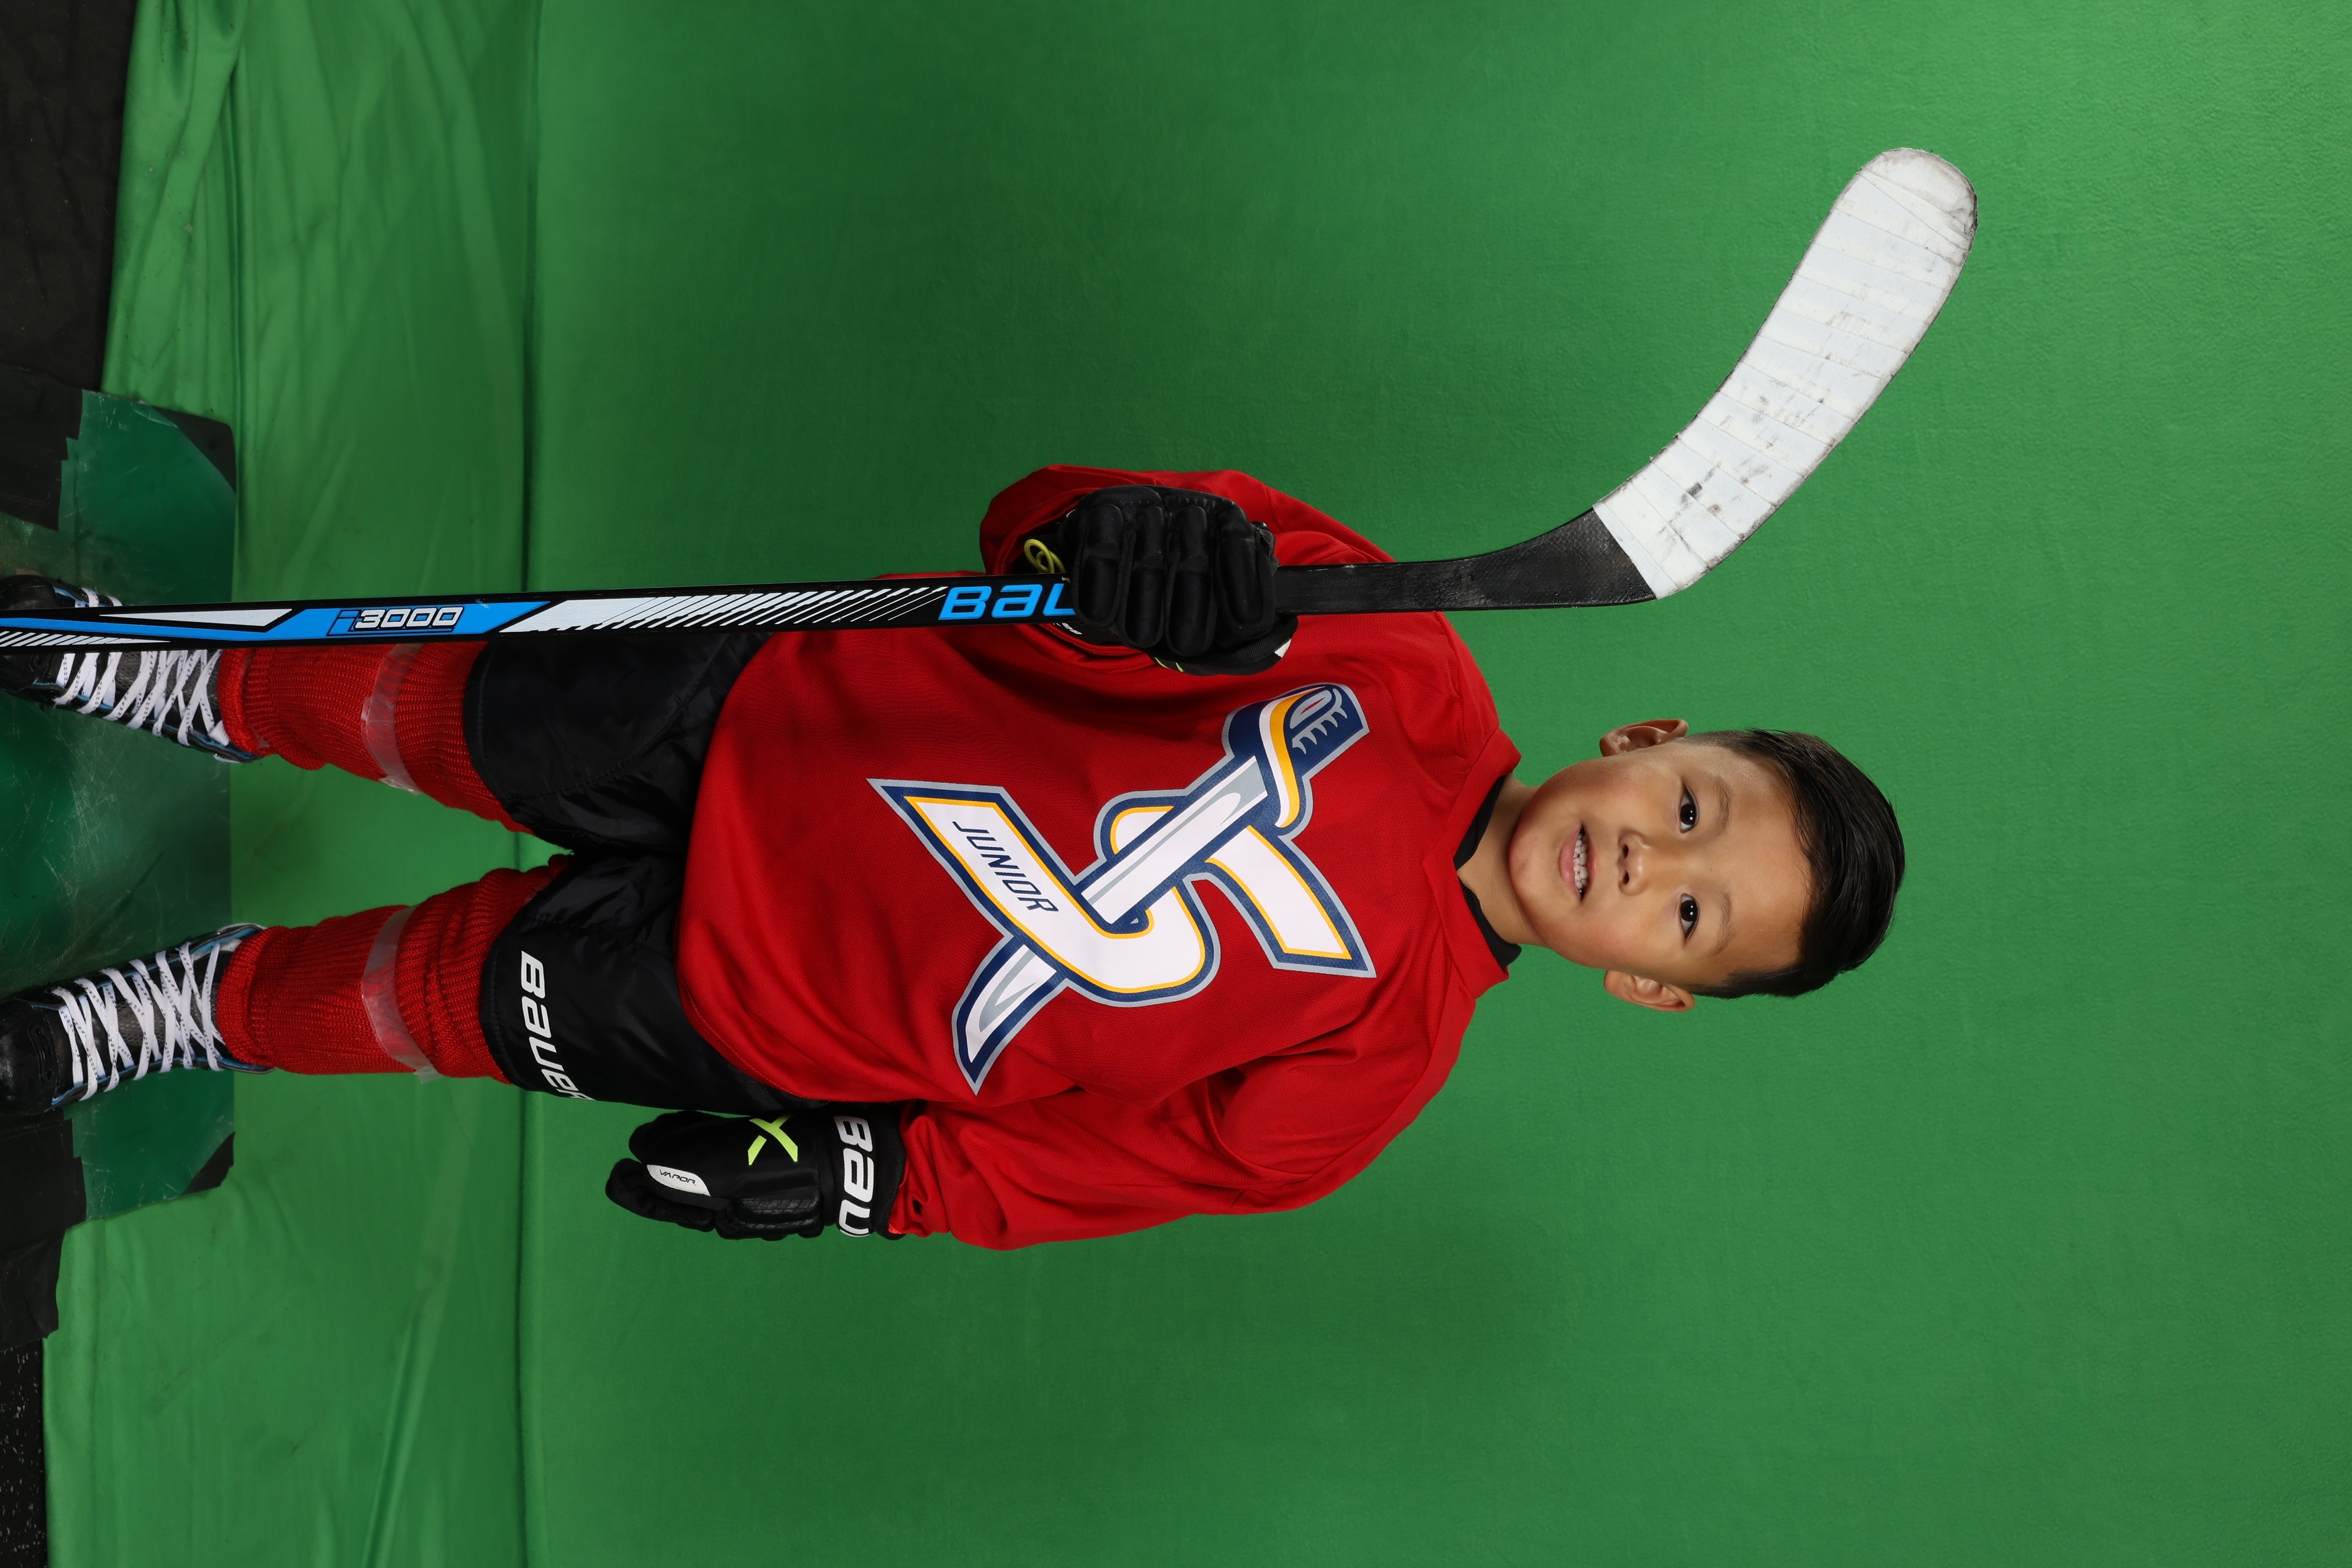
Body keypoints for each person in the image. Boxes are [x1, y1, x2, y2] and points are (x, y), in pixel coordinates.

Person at [0, 466, 1903, 1248]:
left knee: (437, 1000)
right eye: (1690, 808)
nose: (1644, 860)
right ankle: (175, 676)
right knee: (430, 707)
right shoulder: (1395, 649)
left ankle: (188, 1010)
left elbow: (1087, 1168)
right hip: (776, 711)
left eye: (1691, 911)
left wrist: (860, 1181)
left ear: (1651, 983)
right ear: (1647, 740)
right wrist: (1129, 549)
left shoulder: (1372, 1081)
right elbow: (1038, 524)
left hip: (768, 1010)